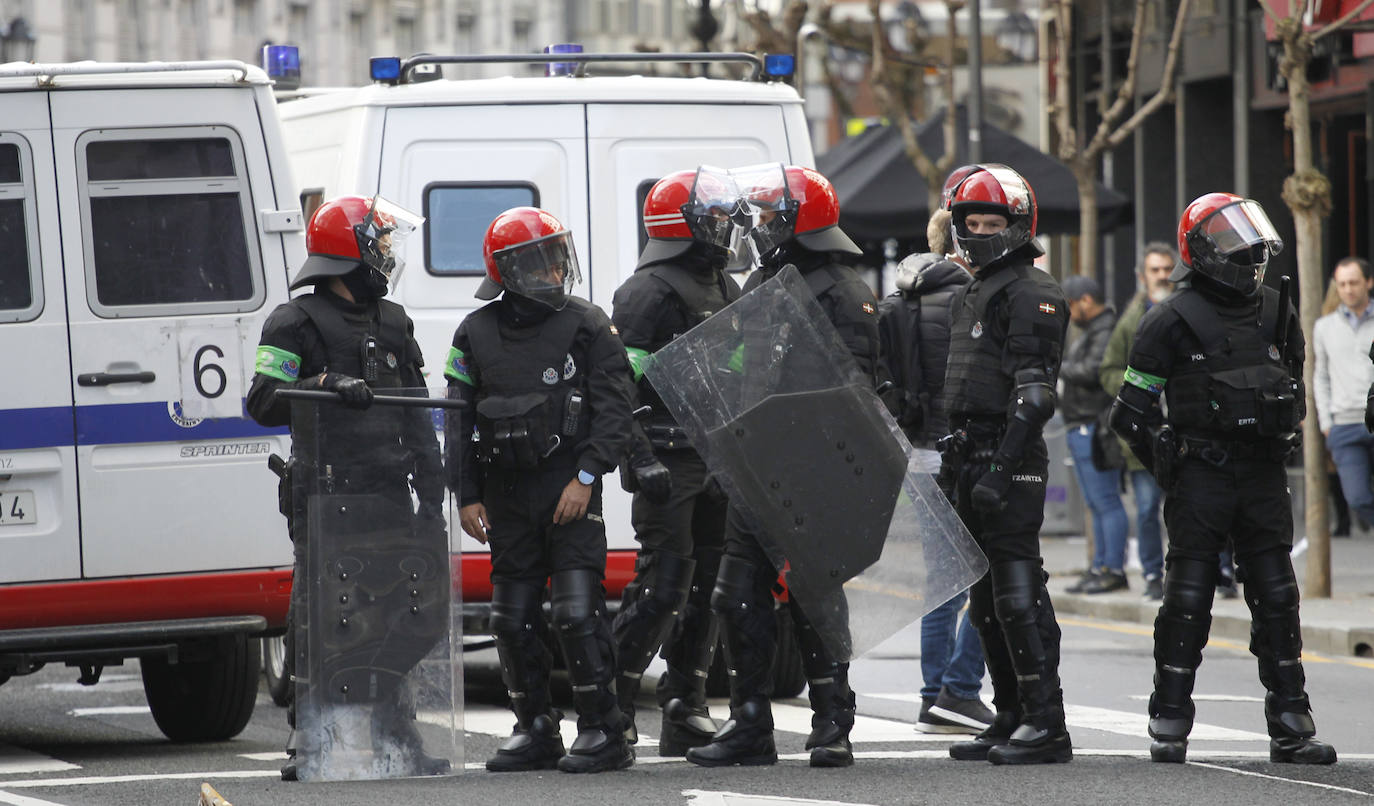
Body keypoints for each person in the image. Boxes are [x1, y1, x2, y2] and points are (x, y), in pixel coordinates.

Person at [1109, 192, 1336, 765]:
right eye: (1233, 239)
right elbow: (1129, 413)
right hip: (1201, 475)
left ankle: (1292, 723)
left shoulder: (1274, 307)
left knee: (1278, 597)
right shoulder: (1168, 319)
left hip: (1261, 472)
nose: (1248, 249)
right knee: (1187, 599)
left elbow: (1295, 381)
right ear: (1204, 250)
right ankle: (1169, 718)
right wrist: (1167, 465)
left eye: (1250, 237)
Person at [246, 194, 449, 781]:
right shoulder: (295, 320)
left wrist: (433, 496)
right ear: (349, 253)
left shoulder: (395, 320)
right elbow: (261, 400)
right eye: (379, 243)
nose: (386, 254)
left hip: (389, 491)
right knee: (320, 616)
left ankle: (397, 739)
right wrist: (323, 381)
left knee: (394, 615)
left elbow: (416, 412)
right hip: (325, 492)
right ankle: (311, 742)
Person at [685, 164, 880, 769]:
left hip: (812, 467)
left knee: (814, 595)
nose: (762, 227)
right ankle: (750, 724)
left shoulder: (844, 290)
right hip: (755, 461)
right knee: (734, 594)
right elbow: (741, 368)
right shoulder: (764, 280)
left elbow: (854, 392)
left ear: (804, 221)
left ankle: (832, 724)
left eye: (772, 216)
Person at [444, 206, 636, 774]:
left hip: (568, 488)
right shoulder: (473, 332)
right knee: (510, 616)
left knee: (577, 612)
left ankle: (604, 730)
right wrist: (467, 494)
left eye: (559, 258)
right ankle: (534, 728)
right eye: (543, 261)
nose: (557, 272)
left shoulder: (587, 323)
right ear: (512, 270)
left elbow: (615, 407)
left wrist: (587, 475)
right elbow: (457, 419)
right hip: (505, 494)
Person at [934, 163, 1072, 765]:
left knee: (1018, 592)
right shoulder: (973, 287)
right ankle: (1011, 712)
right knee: (986, 599)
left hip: (1008, 457)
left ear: (1017, 224)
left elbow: (1036, 394)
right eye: (972, 221)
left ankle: (1048, 723)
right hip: (967, 453)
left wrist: (1000, 467)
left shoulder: (1033, 291)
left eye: (992, 221)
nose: (981, 230)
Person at [608, 168, 742, 755]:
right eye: (712, 218)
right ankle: (611, 702)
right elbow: (621, 386)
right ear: (681, 224)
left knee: (710, 585)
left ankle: (685, 704)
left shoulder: (725, 285)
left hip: (717, 453)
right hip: (667, 455)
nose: (722, 228)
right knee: (663, 584)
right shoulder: (647, 291)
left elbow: (738, 372)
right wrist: (639, 455)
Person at [877, 209, 993, 735]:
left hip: (915, 448)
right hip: (961, 449)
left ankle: (933, 696)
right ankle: (961, 688)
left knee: (942, 580)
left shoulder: (903, 294)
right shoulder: (972, 296)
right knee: (993, 577)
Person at [1097, 243, 1175, 600]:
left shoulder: (1189, 312)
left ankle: (1213, 571)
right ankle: (1152, 575)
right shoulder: (1131, 321)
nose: (1162, 276)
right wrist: (1138, 391)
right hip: (1146, 434)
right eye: (1155, 270)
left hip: (1189, 430)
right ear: (1143, 276)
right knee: (1146, 510)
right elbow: (1109, 370)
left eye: (1167, 269)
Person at [1059, 274, 1129, 595]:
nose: (1070, 314)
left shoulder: (1105, 330)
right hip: (1082, 425)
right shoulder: (1092, 331)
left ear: (1085, 301)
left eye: (1071, 305)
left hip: (1094, 426)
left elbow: (1092, 372)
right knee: (1095, 502)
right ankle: (1099, 565)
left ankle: (1111, 568)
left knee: (1105, 501)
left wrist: (1057, 367)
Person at [1314, 257, 1374, 534]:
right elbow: (1320, 376)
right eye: (1342, 284)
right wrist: (1326, 421)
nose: (1348, 289)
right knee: (1358, 498)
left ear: (1368, 283)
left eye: (1354, 283)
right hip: (1345, 424)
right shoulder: (1324, 327)